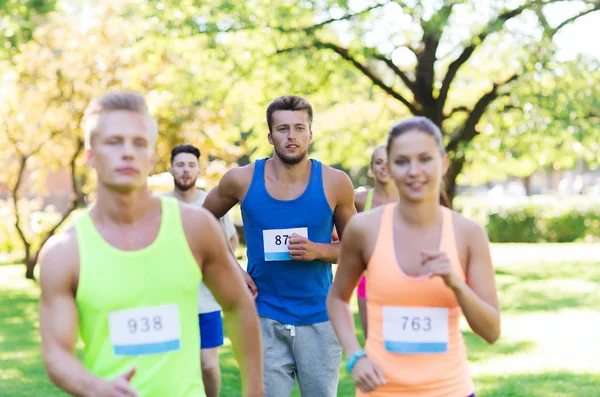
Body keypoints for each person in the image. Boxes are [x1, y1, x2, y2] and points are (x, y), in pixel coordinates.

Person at [38, 90, 263, 397]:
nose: (128, 152)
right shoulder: (64, 253)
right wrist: (94, 388)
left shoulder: (195, 228)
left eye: (139, 143)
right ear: (90, 154)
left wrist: (254, 390)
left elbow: (238, 306)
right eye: (114, 142)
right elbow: (55, 353)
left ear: (152, 155)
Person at [327, 116, 500, 397]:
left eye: (425, 159)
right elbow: (337, 298)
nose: (414, 171)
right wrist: (355, 356)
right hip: (381, 391)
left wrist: (456, 284)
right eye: (402, 161)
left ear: (443, 163)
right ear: (388, 168)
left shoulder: (468, 234)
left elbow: (491, 331)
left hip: (450, 390)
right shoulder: (364, 229)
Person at [202, 95, 356, 397]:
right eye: (283, 129)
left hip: (320, 318)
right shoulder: (241, 180)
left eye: (300, 128)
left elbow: (357, 250)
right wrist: (232, 267)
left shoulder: (336, 183)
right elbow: (202, 220)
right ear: (270, 135)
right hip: (262, 315)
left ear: (311, 133)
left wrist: (319, 250)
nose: (292, 136)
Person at [163, 143, 239, 397]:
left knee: (207, 364)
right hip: (169, 300)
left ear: (198, 169)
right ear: (171, 169)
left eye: (191, 165)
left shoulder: (211, 203)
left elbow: (231, 242)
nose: (185, 170)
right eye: (180, 165)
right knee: (173, 366)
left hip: (206, 299)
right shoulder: (159, 206)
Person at [353, 144, 398, 338]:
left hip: (402, 279)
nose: (383, 167)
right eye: (378, 162)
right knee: (373, 343)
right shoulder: (360, 200)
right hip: (368, 280)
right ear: (371, 168)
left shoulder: (409, 200)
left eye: (389, 162)